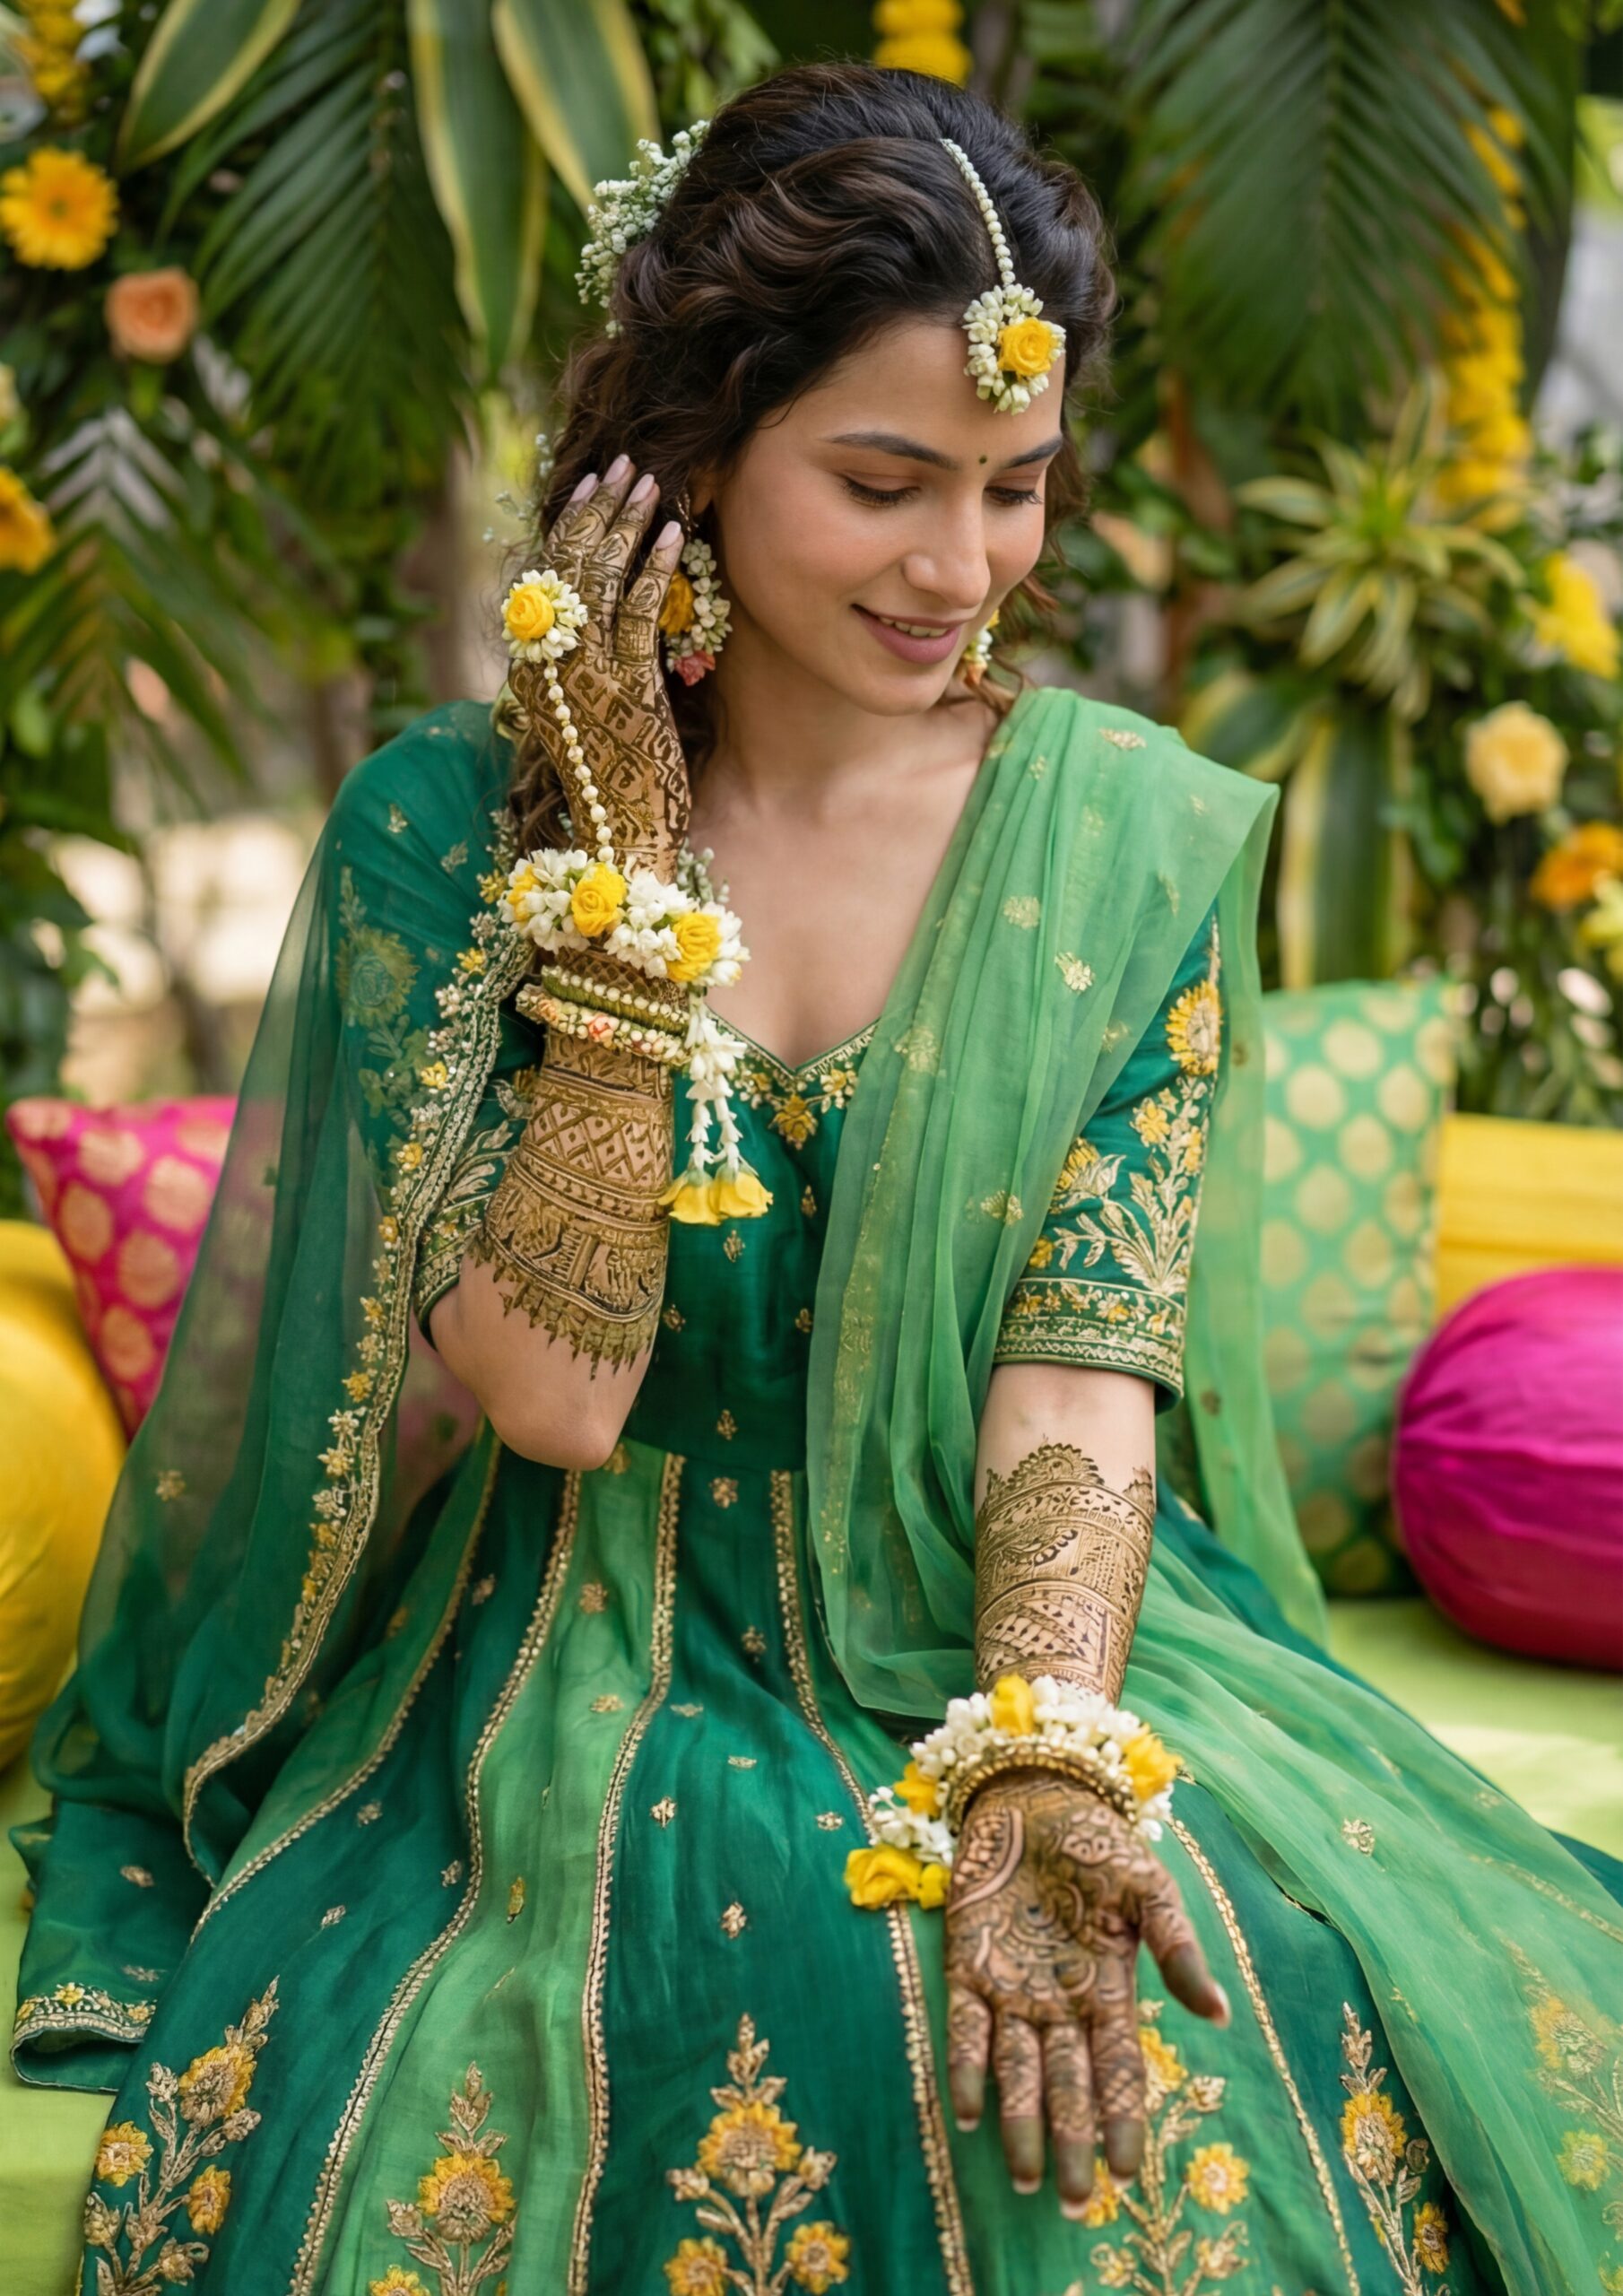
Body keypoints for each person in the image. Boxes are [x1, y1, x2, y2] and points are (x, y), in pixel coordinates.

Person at [11, 61, 1620, 2296]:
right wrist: (610, 906)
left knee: (1249, 1994)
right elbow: (555, 1402)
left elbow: (1078, 1363)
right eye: (883, 481)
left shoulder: (1121, 840)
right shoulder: (444, 829)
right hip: (574, 1639)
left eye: (1016, 488)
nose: (959, 569)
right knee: (769, 1999)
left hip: (990, 1626)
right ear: (690, 455)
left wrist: (1042, 1750)